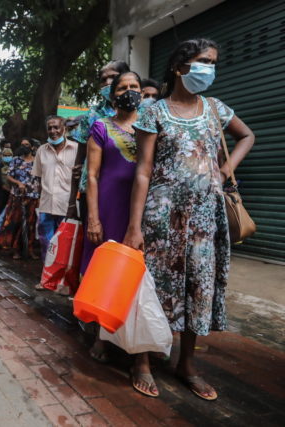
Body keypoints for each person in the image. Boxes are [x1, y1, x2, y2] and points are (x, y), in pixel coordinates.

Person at [123, 39, 254, 400]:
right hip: (162, 216)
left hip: (204, 218)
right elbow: (143, 172)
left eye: (213, 62)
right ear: (180, 67)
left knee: (199, 286)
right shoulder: (153, 111)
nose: (209, 68)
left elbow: (246, 136)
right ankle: (143, 360)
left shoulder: (215, 109)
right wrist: (134, 226)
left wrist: (226, 169)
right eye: (203, 61)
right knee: (153, 286)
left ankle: (187, 365)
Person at [81, 71, 142, 363]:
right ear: (112, 93)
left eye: (134, 86)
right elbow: (91, 176)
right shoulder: (100, 127)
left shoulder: (150, 127)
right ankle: (101, 336)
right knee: (104, 271)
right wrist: (93, 218)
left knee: (136, 272)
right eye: (122, 87)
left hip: (141, 209)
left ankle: (133, 336)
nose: (129, 91)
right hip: (108, 206)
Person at [72, 61, 131, 221]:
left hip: (125, 190)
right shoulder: (93, 114)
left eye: (112, 77)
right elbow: (80, 158)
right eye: (103, 79)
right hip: (91, 191)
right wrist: (71, 203)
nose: (107, 83)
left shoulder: (138, 112)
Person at [33, 116, 79, 263]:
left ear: (63, 128)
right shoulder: (41, 150)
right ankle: (47, 278)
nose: (53, 131)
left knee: (66, 245)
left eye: (56, 127)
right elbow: (39, 178)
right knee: (46, 244)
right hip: (46, 207)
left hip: (68, 207)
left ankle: (62, 281)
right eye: (50, 128)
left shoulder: (76, 149)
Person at [0, 142, 40, 259]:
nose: (24, 146)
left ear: (32, 147)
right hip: (17, 196)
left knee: (30, 224)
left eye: (27, 144)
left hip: (33, 196)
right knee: (16, 222)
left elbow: (41, 178)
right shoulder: (15, 160)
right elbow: (9, 176)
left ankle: (30, 249)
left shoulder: (37, 161)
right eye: (22, 144)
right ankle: (16, 250)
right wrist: (18, 183)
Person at [0, 148, 14, 218]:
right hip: (1, 193)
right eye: (5, 155)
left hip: (12, 193)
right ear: (2, 156)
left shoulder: (13, 165)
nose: (7, 157)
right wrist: (9, 190)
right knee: (1, 211)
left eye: (9, 155)